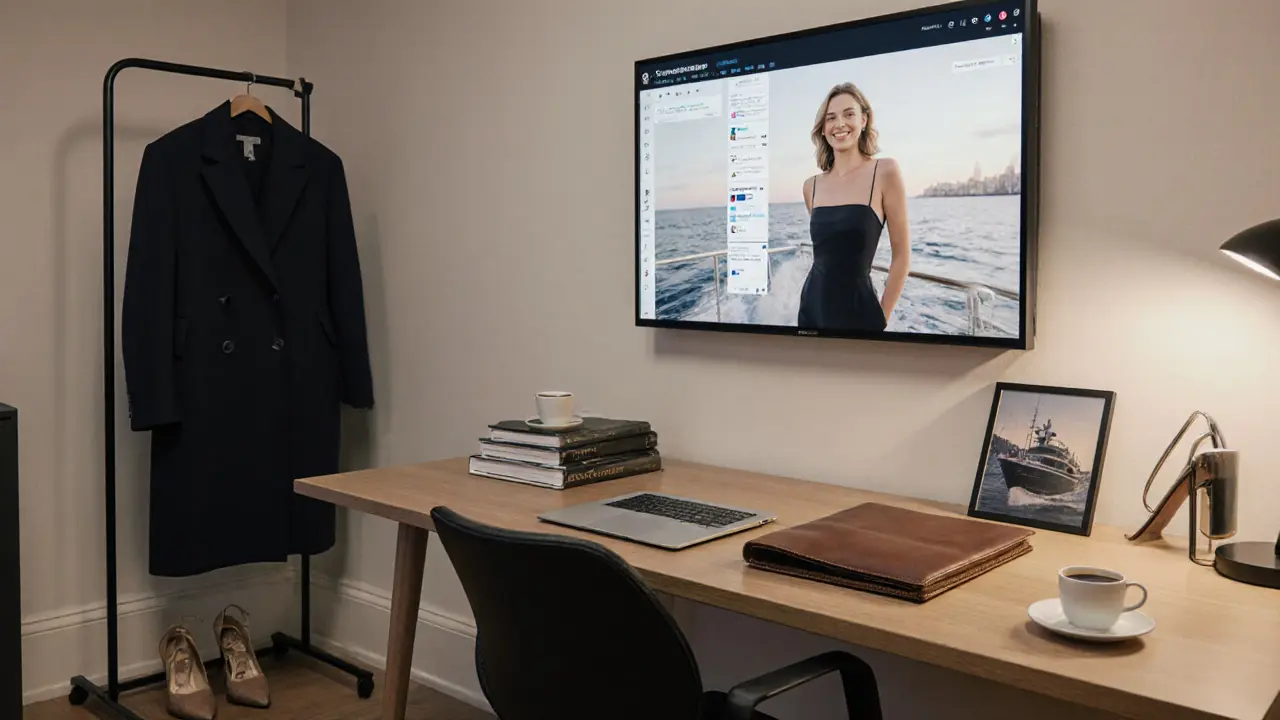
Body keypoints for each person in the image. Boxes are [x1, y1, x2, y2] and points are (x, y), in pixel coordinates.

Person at [797, 82, 910, 331]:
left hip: (861, 315)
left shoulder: (885, 171)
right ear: (823, 129)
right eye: (831, 118)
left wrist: (882, 317)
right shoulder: (811, 186)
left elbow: (902, 257)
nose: (840, 124)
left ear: (864, 120)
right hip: (812, 312)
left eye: (849, 114)